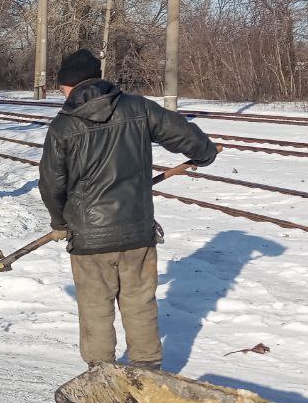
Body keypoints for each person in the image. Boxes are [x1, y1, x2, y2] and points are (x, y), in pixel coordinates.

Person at [39, 49, 217, 370]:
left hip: (89, 239)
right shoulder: (138, 108)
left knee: (95, 305)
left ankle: (101, 373)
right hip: (137, 232)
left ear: (71, 85)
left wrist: (61, 221)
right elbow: (184, 133)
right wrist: (204, 154)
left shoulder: (63, 127)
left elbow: (52, 184)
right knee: (139, 302)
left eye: (61, 87)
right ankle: (147, 371)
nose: (61, 94)